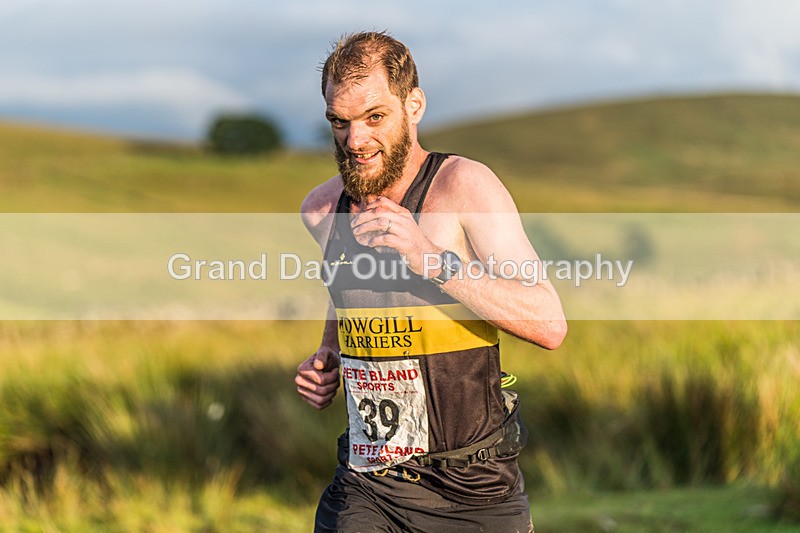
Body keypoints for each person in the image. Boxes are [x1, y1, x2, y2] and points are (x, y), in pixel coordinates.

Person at [295, 31, 567, 533]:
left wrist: (432, 260)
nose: (355, 141)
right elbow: (346, 295)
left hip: (474, 487)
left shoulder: (464, 186)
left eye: (375, 117)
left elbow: (548, 322)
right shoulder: (321, 210)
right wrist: (328, 355)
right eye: (340, 121)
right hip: (367, 485)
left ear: (413, 105)